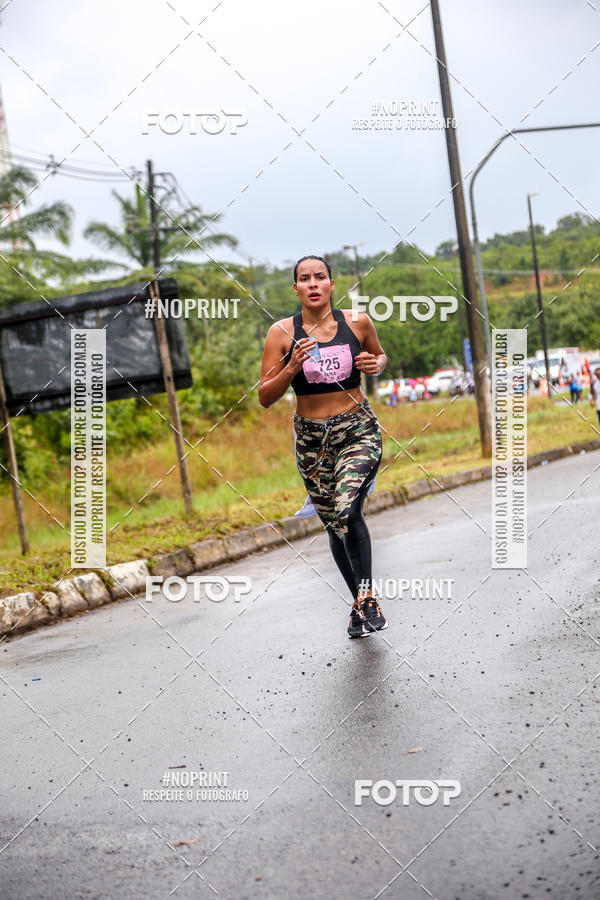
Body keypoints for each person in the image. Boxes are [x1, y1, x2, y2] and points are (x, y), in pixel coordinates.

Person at [258, 255, 388, 638]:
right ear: (295, 288)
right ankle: (358, 604)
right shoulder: (281, 334)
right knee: (334, 523)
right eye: (304, 278)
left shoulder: (357, 322)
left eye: (320, 277)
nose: (313, 283)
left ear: (332, 284)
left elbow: (380, 355)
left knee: (348, 508)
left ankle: (367, 599)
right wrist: (291, 367)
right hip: (312, 440)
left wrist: (376, 363)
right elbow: (265, 396)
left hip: (357, 429)